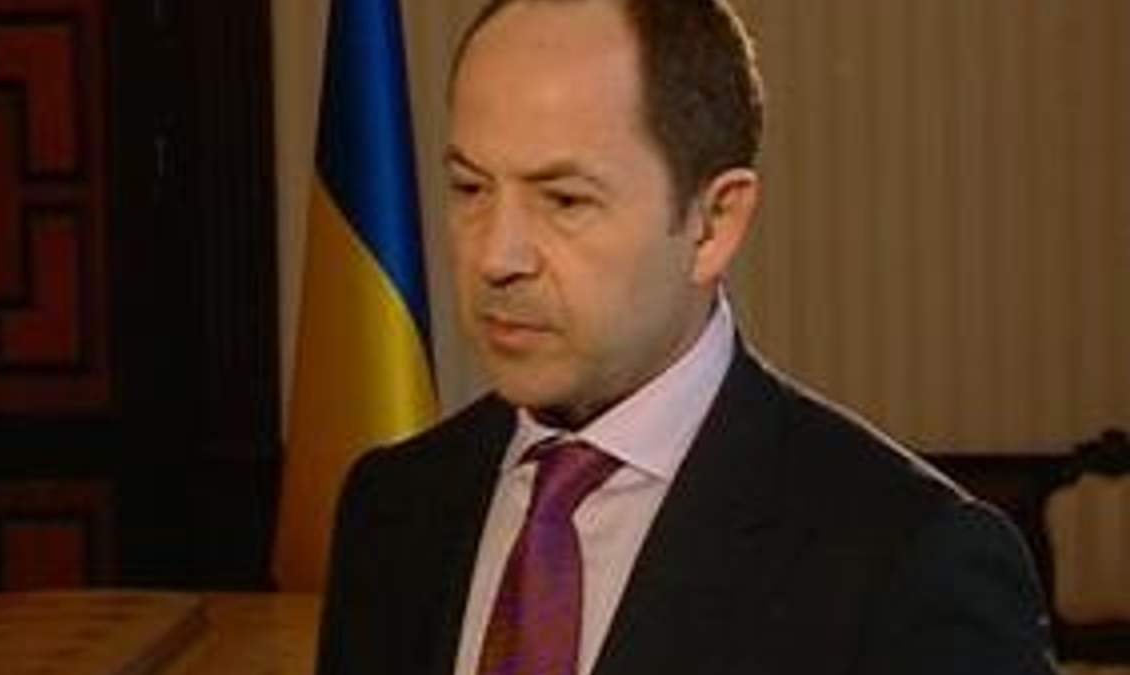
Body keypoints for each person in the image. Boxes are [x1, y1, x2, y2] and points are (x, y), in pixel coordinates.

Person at [317, 0, 1059, 673]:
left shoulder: (911, 561)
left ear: (714, 223)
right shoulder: (393, 507)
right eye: (470, 188)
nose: (495, 256)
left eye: (564, 200)